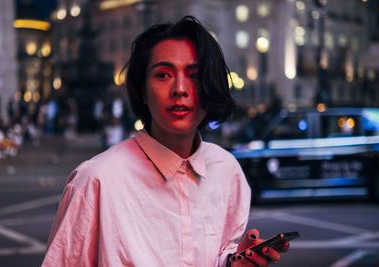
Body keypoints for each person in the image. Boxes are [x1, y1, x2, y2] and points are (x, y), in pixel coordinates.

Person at [42, 16, 289, 267]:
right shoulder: (95, 181)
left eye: (194, 75)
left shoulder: (227, 170)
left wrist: (232, 261)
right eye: (164, 75)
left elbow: (217, 252)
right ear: (142, 91)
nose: (180, 89)